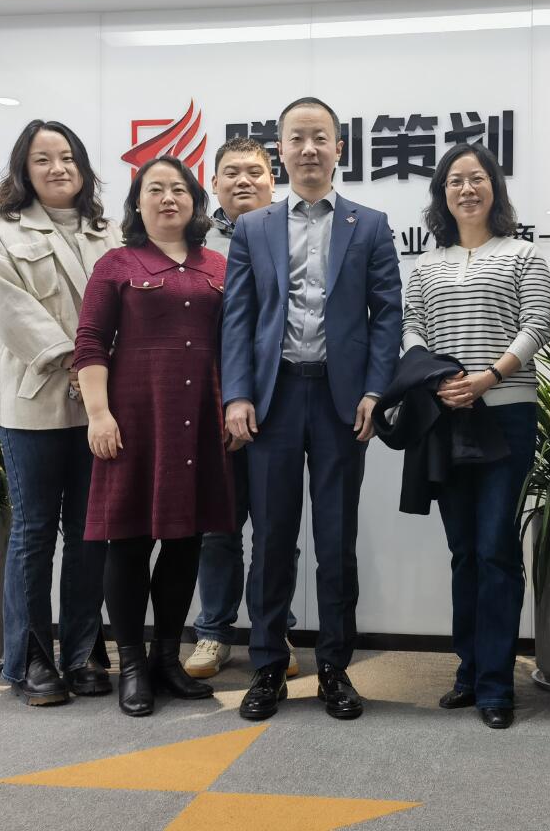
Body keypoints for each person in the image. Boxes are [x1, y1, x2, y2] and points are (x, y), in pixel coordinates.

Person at [221, 96, 402, 721]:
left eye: (320, 137)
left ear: (338, 149)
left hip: (339, 402)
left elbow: (387, 317)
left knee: (335, 541)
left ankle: (334, 668)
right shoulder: (254, 227)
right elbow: (238, 318)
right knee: (271, 539)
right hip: (272, 401)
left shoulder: (369, 225)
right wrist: (237, 393)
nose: (308, 149)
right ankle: (268, 666)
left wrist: (375, 392)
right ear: (281, 150)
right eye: (296, 138)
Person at [397, 142, 550, 729]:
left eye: (477, 178)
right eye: (455, 180)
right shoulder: (426, 265)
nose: (466, 188)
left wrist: (488, 377)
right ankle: (468, 670)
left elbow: (537, 324)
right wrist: (437, 378)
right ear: (442, 193)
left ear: (495, 188)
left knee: (496, 548)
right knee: (463, 549)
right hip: (446, 417)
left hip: (506, 415)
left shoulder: (523, 254)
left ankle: (495, 685)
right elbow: (412, 326)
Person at [74, 155, 234, 717]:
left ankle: (168, 658)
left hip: (200, 418)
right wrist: (99, 414)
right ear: (137, 204)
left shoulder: (218, 264)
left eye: (179, 189)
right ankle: (133, 667)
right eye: (155, 189)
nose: (168, 198)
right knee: (129, 541)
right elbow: (90, 342)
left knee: (186, 541)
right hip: (135, 420)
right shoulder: (116, 263)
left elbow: (235, 342)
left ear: (195, 202)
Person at [0, 119, 119, 707]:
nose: (58, 168)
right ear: (25, 170)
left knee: (89, 534)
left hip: (101, 408)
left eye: (67, 157)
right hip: (34, 404)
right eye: (43, 159)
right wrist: (75, 359)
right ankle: (31, 658)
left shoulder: (108, 231)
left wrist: (100, 374)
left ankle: (83, 650)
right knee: (34, 533)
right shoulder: (3, 231)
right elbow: (12, 311)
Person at [185, 137, 301, 680]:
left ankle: (273, 631)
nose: (243, 181)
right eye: (231, 172)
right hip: (211, 407)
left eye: (255, 171)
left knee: (277, 529)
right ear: (214, 184)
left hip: (282, 402)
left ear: (272, 181)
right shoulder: (193, 244)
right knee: (218, 528)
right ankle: (213, 632)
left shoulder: (296, 234)